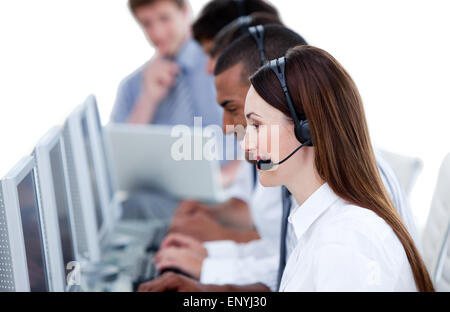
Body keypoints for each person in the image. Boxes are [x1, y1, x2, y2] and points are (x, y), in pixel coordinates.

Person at [141, 31, 423, 291]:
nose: (246, 144)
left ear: (307, 129)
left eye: (257, 126)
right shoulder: (315, 221)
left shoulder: (343, 243)